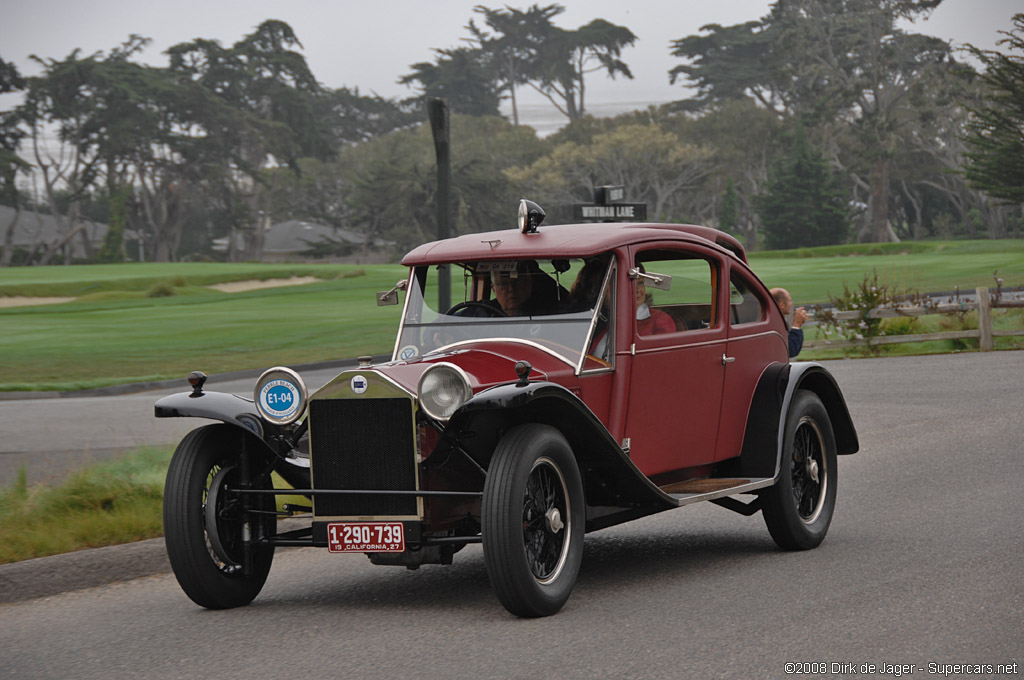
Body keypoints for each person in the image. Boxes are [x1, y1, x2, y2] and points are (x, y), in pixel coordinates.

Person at [771, 287, 808, 358]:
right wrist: (796, 324)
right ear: (782, 305)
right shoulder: (775, 323)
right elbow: (791, 350)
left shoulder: (773, 319)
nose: (791, 304)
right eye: (790, 301)